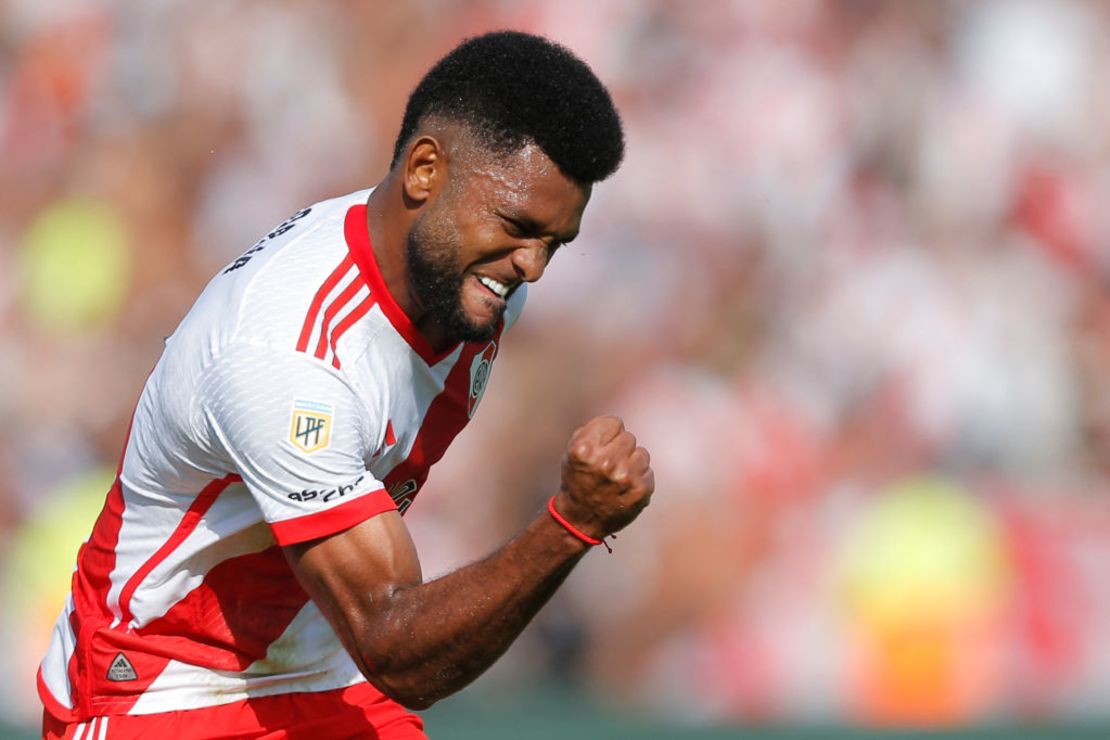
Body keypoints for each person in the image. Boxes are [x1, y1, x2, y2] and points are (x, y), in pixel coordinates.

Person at [37, 30, 654, 739]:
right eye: (518, 227)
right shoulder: (285, 356)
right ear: (425, 169)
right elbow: (399, 651)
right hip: (161, 690)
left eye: (554, 243)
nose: (533, 269)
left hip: (320, 675)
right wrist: (571, 523)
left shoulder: (468, 277)